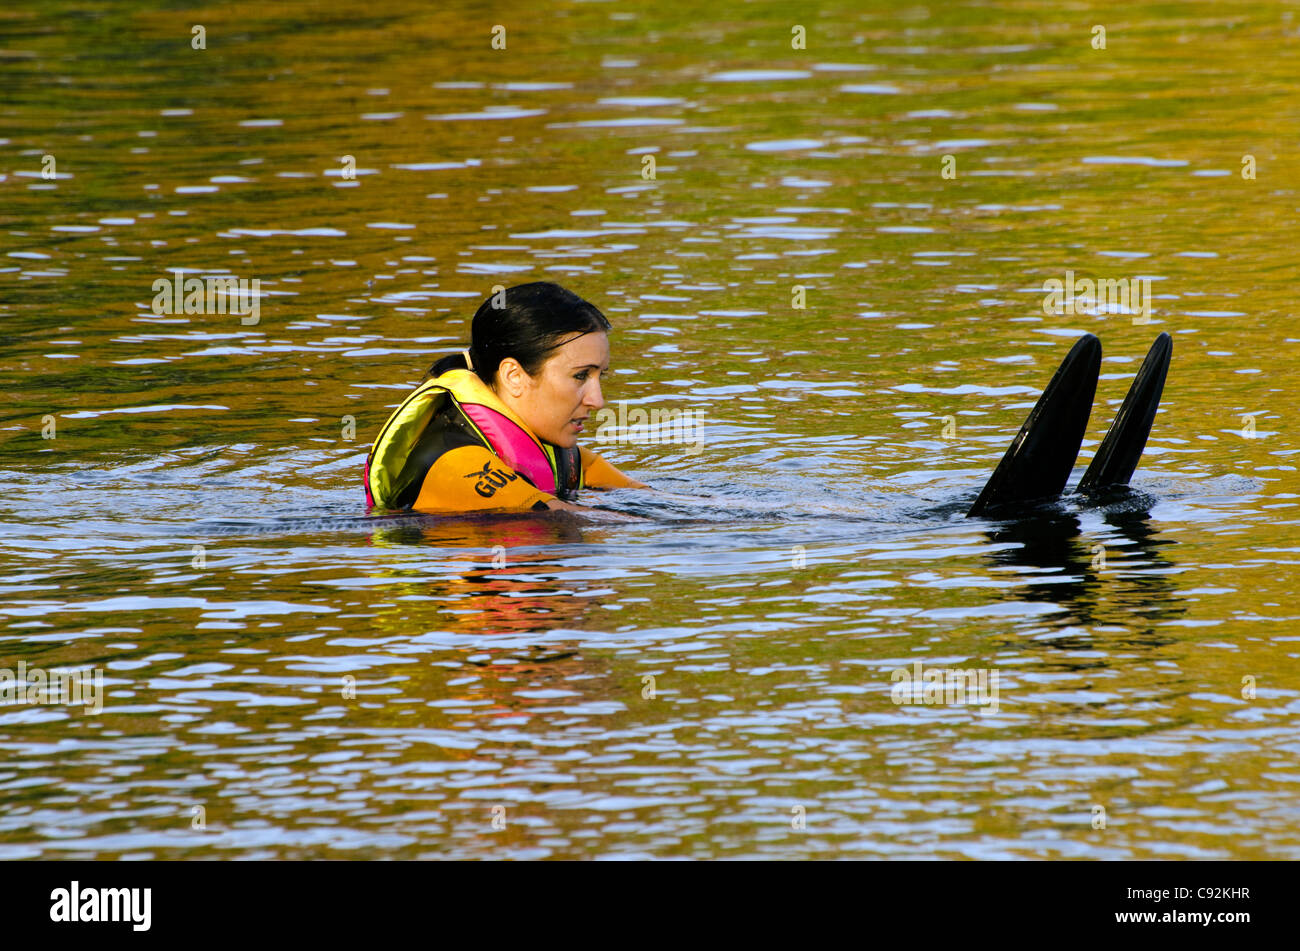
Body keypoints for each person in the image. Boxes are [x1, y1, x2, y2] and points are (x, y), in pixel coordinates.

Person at [364, 282, 648, 515]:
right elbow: (569, 520)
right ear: (514, 376)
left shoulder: (554, 452)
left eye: (601, 376)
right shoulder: (457, 462)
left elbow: (648, 498)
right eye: (580, 376)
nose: (597, 401)